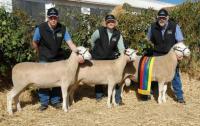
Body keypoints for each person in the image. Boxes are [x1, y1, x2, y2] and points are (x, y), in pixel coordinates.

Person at [32, 8, 79, 111]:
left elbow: (70, 43)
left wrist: (78, 51)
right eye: (51, 17)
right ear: (48, 18)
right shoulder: (40, 28)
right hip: (44, 58)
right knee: (43, 80)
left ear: (58, 18)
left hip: (57, 59)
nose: (53, 19)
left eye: (55, 17)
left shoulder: (63, 28)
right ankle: (44, 103)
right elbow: (34, 42)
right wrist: (39, 52)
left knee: (59, 80)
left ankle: (55, 101)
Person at [147, 8, 186, 104]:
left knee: (175, 74)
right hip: (158, 55)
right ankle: (152, 93)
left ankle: (179, 96)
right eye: (160, 17)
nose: (162, 19)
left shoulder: (174, 26)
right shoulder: (152, 27)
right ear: (157, 17)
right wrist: (155, 46)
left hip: (171, 56)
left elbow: (180, 41)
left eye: (164, 18)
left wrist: (179, 54)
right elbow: (148, 39)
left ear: (167, 18)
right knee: (153, 74)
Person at [89, 14, 125, 104]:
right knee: (98, 76)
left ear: (115, 23)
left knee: (114, 77)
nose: (111, 23)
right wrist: (95, 50)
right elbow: (92, 41)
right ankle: (99, 95)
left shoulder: (118, 34)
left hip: (110, 59)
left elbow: (121, 48)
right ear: (105, 23)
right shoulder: (99, 31)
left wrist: (123, 57)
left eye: (112, 21)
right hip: (98, 58)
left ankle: (115, 96)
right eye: (109, 21)